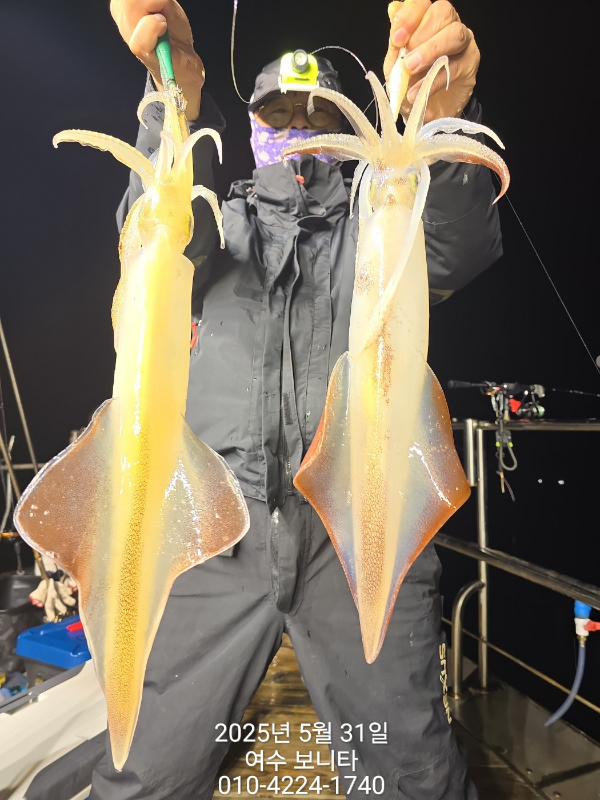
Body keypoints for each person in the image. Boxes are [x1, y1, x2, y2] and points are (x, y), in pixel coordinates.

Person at [91, 2, 502, 798]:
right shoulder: (213, 228)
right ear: (248, 127)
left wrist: (437, 127)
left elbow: (458, 244)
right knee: (146, 771)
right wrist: (174, 101)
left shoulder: (380, 224)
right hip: (213, 532)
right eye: (277, 111)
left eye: (317, 110)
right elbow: (155, 226)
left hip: (356, 519)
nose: (299, 125)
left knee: (410, 773)